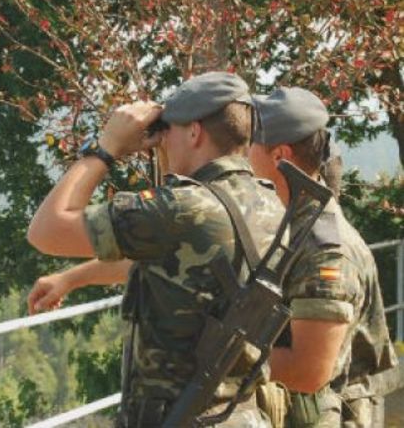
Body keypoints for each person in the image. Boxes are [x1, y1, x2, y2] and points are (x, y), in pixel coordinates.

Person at [27, 71, 286, 427]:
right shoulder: (268, 203)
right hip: (240, 415)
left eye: (169, 130)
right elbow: (180, 264)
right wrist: (72, 279)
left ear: (194, 132)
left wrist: (105, 149)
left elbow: (47, 231)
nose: (161, 140)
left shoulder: (184, 209)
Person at [249, 87, 397, 427]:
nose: (244, 154)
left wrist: (227, 359)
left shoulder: (325, 248)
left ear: (279, 156)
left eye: (251, 144)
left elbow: (308, 371)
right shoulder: (295, 223)